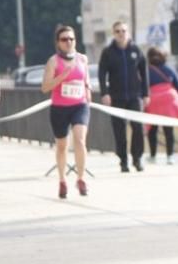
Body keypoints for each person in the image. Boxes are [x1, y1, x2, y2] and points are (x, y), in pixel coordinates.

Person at [41, 24, 91, 198]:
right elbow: (45, 87)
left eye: (71, 39)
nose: (68, 42)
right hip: (60, 108)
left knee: (80, 139)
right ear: (58, 43)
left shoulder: (82, 59)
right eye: (64, 39)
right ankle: (62, 180)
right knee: (62, 146)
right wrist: (61, 77)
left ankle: (81, 178)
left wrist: (88, 92)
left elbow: (86, 81)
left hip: (80, 105)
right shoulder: (54, 61)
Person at [98, 21, 148, 172]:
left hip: (134, 96)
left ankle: (137, 158)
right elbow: (102, 74)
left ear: (128, 32)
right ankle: (123, 160)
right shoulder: (108, 52)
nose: (121, 34)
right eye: (118, 31)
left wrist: (146, 94)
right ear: (114, 34)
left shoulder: (136, 50)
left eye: (124, 31)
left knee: (138, 128)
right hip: (116, 97)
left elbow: (144, 73)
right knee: (119, 130)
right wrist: (104, 93)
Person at [145, 46, 178, 164]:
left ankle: (153, 156)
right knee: (168, 129)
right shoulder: (168, 69)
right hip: (168, 100)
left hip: (153, 101)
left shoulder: (147, 70)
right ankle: (170, 156)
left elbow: (142, 87)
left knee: (152, 130)